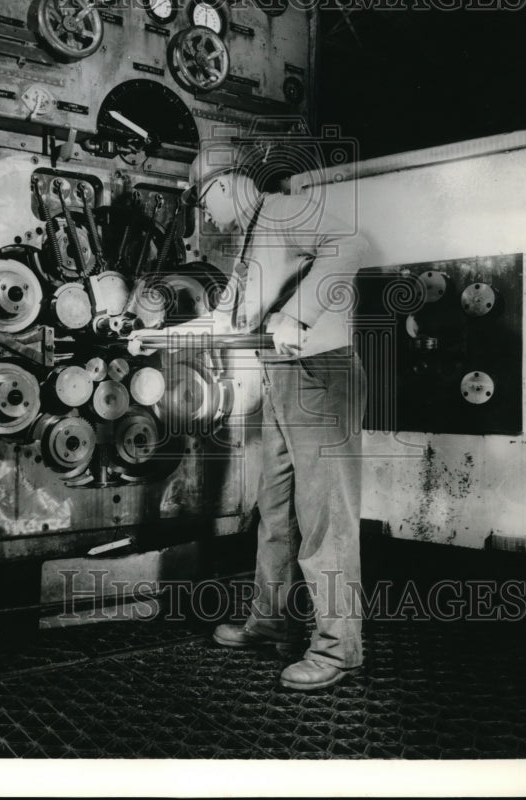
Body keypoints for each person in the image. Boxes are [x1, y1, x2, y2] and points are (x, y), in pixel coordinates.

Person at [129, 140, 368, 690]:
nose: (203, 213)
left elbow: (353, 244)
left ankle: (339, 649)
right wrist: (154, 335)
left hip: (319, 373)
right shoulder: (248, 244)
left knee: (325, 512)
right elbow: (224, 323)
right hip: (283, 379)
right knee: (276, 507)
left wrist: (295, 314)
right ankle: (271, 622)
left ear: (228, 183)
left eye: (202, 199)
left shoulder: (283, 211)